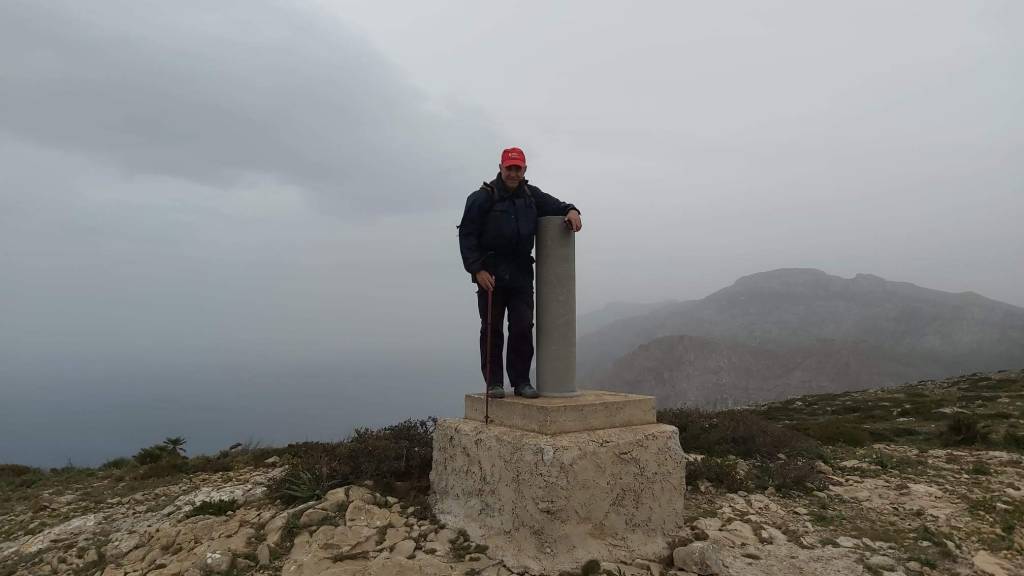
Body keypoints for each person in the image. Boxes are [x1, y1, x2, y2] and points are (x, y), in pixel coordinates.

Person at [458, 147, 582, 399]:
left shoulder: (531, 195)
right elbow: (467, 235)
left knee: (522, 327)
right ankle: (494, 383)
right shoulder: (482, 198)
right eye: (509, 168)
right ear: (501, 168)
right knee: (491, 328)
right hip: (490, 274)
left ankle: (521, 381)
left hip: (521, 272)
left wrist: (572, 211)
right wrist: (477, 269)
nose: (513, 173)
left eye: (518, 168)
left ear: (524, 169)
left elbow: (558, 205)